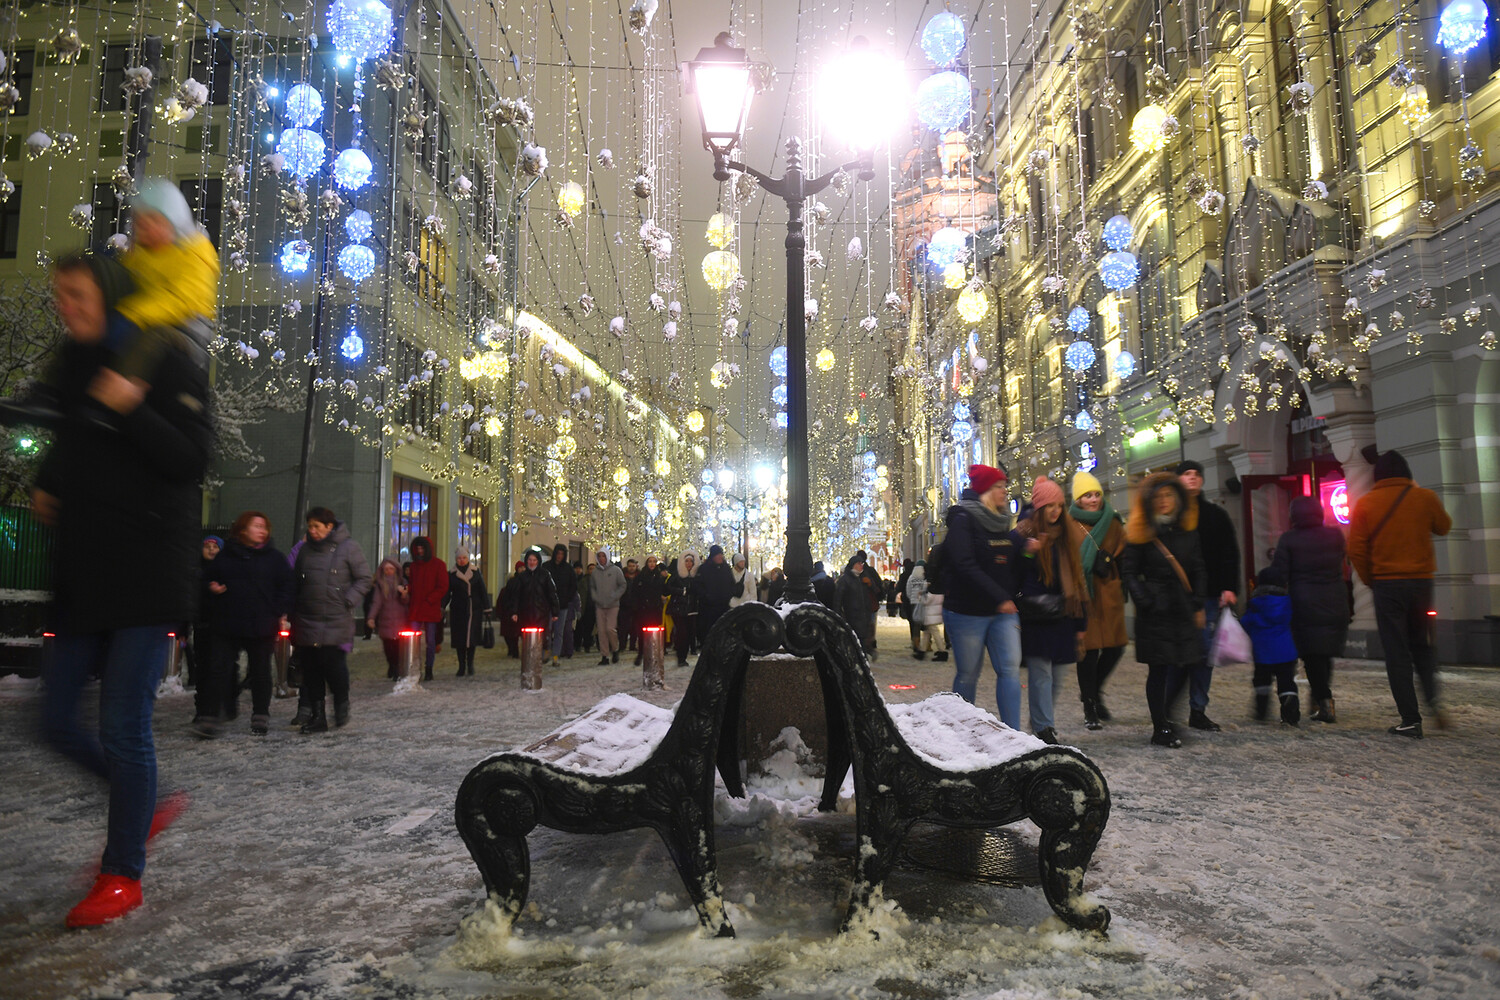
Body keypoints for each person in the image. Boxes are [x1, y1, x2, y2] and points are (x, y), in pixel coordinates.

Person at [25, 250, 212, 927]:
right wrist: (49, 479)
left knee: (124, 727)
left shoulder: (165, 357)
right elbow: (71, 439)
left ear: (108, 294)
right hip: (82, 573)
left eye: (74, 294)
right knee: (50, 720)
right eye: (58, 296)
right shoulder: (71, 363)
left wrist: (134, 408)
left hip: (145, 574)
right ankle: (145, 803)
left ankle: (122, 873)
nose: (64, 306)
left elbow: (193, 458)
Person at [1348, 449, 1453, 738]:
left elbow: (1355, 549)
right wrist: (1417, 491)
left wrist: (1372, 580)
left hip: (1388, 585)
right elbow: (1444, 527)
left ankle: (1410, 719)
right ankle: (1433, 700)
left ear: (1377, 476)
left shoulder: (1366, 503)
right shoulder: (1425, 498)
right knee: (1424, 645)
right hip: (1421, 585)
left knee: (1397, 651)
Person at [1120, 472, 1207, 749]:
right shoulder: (1140, 533)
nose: (1164, 501)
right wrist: (1145, 600)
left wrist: (1198, 601)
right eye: (1158, 496)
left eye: (1169, 495)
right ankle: (1160, 726)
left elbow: (1198, 567)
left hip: (1182, 607)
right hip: (1156, 610)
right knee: (1159, 668)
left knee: (1189, 662)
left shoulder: (1187, 531)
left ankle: (1167, 713)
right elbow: (1129, 571)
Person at [105, 179, 219, 385]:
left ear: (173, 223)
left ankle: (122, 386)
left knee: (151, 341)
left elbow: (182, 299)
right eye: (139, 223)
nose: (143, 230)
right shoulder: (142, 253)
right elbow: (127, 280)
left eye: (152, 223)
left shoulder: (195, 253)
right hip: (148, 319)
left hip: (187, 328)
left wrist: (133, 314)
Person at [197, 511, 294, 738]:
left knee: (260, 670)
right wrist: (212, 587)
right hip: (227, 622)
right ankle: (211, 715)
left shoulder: (274, 558)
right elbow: (207, 578)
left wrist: (277, 610)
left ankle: (260, 714)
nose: (262, 531)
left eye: (264, 527)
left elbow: (287, 587)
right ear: (243, 530)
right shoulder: (226, 556)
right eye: (257, 526)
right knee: (219, 669)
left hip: (261, 623)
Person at [941, 464, 1023, 729]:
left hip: (1001, 612)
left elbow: (1006, 564)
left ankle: (1014, 733)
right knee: (968, 674)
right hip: (967, 611)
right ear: (988, 489)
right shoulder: (963, 519)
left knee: (1010, 670)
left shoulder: (1001, 521)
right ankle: (962, 729)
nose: (1005, 492)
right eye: (1001, 487)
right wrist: (1001, 596)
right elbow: (965, 564)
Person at [1012, 477, 1088, 745]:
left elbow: (1078, 582)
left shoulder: (1067, 536)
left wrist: (1081, 626)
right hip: (1036, 617)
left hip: (1063, 616)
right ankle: (1044, 726)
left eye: (1059, 505)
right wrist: (1029, 554)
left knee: (1057, 676)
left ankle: (1042, 720)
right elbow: (1013, 577)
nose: (1055, 511)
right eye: (1049, 506)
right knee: (1041, 675)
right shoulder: (1022, 535)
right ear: (1039, 507)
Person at [290, 507, 372, 734]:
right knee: (312, 670)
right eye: (310, 526)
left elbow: (364, 579)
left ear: (329, 526)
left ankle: (341, 702)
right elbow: (296, 582)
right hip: (308, 618)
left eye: (317, 526)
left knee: (333, 666)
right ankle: (318, 717)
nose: (313, 531)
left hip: (335, 619)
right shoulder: (305, 550)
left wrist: (347, 600)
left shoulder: (348, 548)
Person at [1270, 496, 1350, 723]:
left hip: (1304, 602)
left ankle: (1324, 701)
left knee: (1312, 654)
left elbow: (1280, 572)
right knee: (1323, 653)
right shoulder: (1335, 535)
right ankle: (1320, 700)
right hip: (1335, 600)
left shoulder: (1289, 539)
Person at [1175, 460, 1241, 732]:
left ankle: (1197, 708)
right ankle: (1167, 707)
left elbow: (1229, 553)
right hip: (1177, 596)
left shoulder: (1215, 514)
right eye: (1187, 474)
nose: (1192, 479)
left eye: (1196, 474)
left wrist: (1230, 587)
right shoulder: (1170, 514)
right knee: (1177, 653)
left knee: (1204, 653)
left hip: (1210, 594)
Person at [1070, 471, 1128, 730]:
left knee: (1116, 648)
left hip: (1109, 592)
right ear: (1077, 499)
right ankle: (1090, 705)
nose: (1093, 500)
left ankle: (1094, 691)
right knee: (1088, 653)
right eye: (1087, 496)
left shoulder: (1113, 521)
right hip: (1083, 595)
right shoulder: (1068, 523)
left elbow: (1125, 552)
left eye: (1096, 494)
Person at [1239, 564, 1300, 724]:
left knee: (1262, 682)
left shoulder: (1255, 605)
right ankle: (1290, 709)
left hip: (1263, 653)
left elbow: (1245, 623)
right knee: (1286, 681)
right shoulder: (1288, 603)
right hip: (1286, 652)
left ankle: (1261, 710)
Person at [405, 536, 448, 681]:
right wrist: (408, 590)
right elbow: (413, 584)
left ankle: (428, 668)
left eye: (422, 549)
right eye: (418, 549)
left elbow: (442, 587)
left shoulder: (438, 565)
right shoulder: (414, 566)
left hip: (428, 607)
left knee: (430, 641)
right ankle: (414, 666)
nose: (420, 551)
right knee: (414, 640)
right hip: (418, 607)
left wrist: (430, 599)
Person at [446, 548, 490, 676]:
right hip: (458, 609)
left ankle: (470, 664)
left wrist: (487, 608)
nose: (461, 560)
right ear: (456, 559)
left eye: (464, 558)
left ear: (468, 558)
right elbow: (447, 593)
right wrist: (442, 607)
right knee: (460, 639)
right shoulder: (452, 574)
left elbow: (482, 590)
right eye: (459, 558)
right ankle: (461, 665)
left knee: (472, 638)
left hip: (474, 609)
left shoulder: (476, 572)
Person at [187, 535, 221, 691]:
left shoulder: (223, 569)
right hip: (201, 618)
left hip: (219, 619)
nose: (211, 550)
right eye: (208, 547)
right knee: (200, 653)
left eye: (215, 547)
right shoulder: (196, 569)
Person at [367, 558, 410, 679]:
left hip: (400, 619)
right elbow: (376, 602)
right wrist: (371, 617)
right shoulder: (381, 584)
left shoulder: (402, 581)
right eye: (386, 569)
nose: (389, 571)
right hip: (385, 619)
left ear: (395, 569)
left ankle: (396, 668)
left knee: (398, 647)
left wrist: (404, 594)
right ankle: (392, 665)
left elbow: (406, 601)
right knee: (388, 647)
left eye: (391, 568)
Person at [589, 549, 627, 665]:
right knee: (601, 631)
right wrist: (596, 597)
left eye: (603, 556)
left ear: (607, 556)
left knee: (610, 629)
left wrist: (615, 596)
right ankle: (604, 656)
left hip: (613, 605)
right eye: (599, 556)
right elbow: (592, 587)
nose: (601, 558)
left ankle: (615, 648)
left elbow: (622, 585)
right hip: (600, 605)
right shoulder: (595, 572)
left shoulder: (616, 570)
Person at [836, 552, 878, 655]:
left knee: (862, 643)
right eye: (859, 563)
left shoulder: (863, 578)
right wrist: (839, 616)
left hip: (864, 618)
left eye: (862, 563)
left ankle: (863, 664)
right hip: (852, 618)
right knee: (854, 644)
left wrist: (870, 583)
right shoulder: (845, 580)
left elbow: (876, 590)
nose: (861, 566)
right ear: (853, 565)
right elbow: (837, 600)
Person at [695, 545, 737, 646]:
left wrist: (728, 595)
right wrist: (706, 596)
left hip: (723, 606)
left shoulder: (726, 568)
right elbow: (698, 586)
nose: (720, 557)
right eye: (718, 555)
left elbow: (731, 584)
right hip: (708, 608)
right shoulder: (704, 569)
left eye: (721, 555)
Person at [509, 549, 559, 634]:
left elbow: (552, 593)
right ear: (526, 561)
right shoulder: (522, 577)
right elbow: (516, 595)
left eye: (534, 560)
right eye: (530, 560)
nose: (532, 562)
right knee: (526, 638)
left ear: (538, 561)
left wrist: (555, 612)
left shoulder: (545, 574)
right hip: (525, 614)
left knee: (542, 638)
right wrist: (514, 612)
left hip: (542, 613)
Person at [905, 559, 946, 660]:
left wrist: (919, 597)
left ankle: (942, 652)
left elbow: (928, 598)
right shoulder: (932, 579)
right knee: (927, 631)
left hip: (929, 609)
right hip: (933, 609)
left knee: (933, 631)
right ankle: (922, 651)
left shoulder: (916, 578)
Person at [545, 544, 578, 664]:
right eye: (558, 554)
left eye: (562, 554)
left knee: (559, 631)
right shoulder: (547, 567)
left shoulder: (568, 569)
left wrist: (567, 598)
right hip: (548, 605)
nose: (559, 556)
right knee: (547, 630)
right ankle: (547, 650)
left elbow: (573, 586)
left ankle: (556, 656)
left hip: (563, 605)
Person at [666, 552, 699, 665]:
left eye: (691, 561)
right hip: (678, 608)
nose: (689, 564)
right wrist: (682, 592)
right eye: (687, 561)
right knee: (682, 633)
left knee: (690, 633)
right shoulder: (677, 574)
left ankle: (683, 657)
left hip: (692, 609)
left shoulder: (696, 575)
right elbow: (668, 588)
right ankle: (681, 658)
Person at [497, 560, 524, 657]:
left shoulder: (527, 580)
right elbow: (506, 598)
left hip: (522, 610)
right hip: (513, 610)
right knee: (513, 633)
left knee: (519, 633)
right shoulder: (513, 582)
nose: (522, 569)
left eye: (523, 567)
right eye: (520, 568)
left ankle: (516, 651)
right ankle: (513, 650)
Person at [894, 558, 918, 651]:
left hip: (908, 600)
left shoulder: (904, 575)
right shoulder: (917, 574)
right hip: (919, 600)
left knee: (912, 621)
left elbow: (899, 588)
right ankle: (924, 642)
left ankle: (914, 641)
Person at [619, 558, 641, 653]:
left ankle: (632, 645)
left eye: (633, 566)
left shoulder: (640, 577)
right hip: (624, 605)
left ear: (636, 566)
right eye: (630, 566)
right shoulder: (622, 577)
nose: (631, 568)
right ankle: (622, 645)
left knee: (635, 627)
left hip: (636, 605)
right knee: (623, 627)